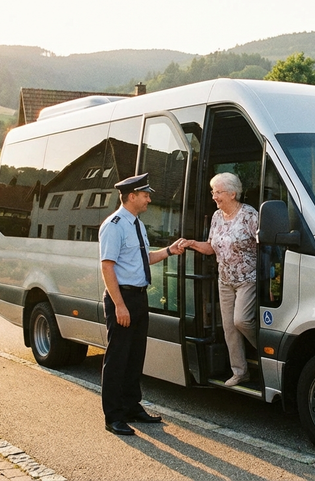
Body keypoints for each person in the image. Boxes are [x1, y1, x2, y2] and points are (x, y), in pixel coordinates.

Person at [99, 173, 184, 435]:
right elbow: (107, 266)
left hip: (138, 297)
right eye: (145, 195)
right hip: (122, 298)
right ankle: (113, 416)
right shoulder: (114, 225)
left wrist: (169, 251)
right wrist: (119, 305)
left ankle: (132, 407)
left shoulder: (137, 224)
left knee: (135, 357)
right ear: (132, 196)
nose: (149, 199)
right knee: (117, 359)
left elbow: (143, 258)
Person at [179, 172, 258, 387]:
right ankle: (240, 372)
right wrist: (191, 243)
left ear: (232, 193)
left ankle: (265, 351)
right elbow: (211, 247)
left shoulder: (249, 215)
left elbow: (266, 244)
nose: (214, 196)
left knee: (242, 321)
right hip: (225, 280)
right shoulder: (217, 216)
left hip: (248, 278)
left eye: (218, 192)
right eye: (213, 192)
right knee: (229, 328)